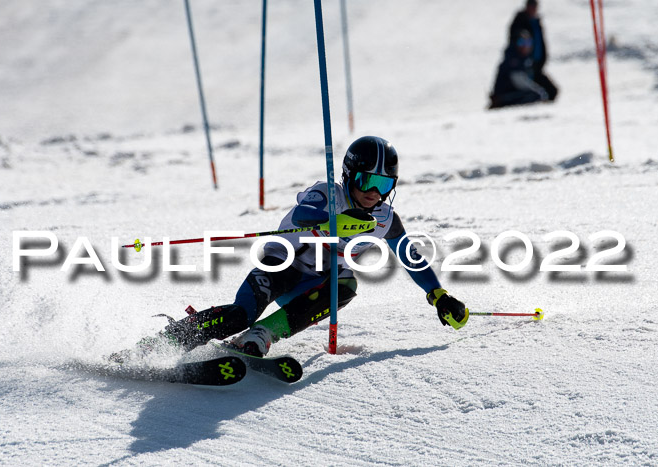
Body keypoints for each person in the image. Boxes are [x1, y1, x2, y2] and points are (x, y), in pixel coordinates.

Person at [115, 136, 468, 362]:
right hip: (280, 266)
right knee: (240, 314)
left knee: (346, 286)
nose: (374, 192)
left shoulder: (385, 217)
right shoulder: (329, 194)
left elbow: (409, 254)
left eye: (384, 184)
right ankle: (161, 342)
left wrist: (438, 295)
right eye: (367, 181)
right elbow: (303, 214)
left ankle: (261, 337)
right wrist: (335, 221)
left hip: (314, 286)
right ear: (350, 175)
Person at [504, 0, 558, 104]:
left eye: (535, 6)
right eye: (531, 6)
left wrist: (541, 60)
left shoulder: (537, 22)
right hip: (523, 66)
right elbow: (515, 41)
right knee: (531, 94)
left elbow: (541, 43)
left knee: (551, 91)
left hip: (536, 66)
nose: (533, 9)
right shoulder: (519, 21)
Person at [489, 30, 551, 109]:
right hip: (504, 96)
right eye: (521, 42)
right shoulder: (513, 60)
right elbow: (519, 81)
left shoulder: (524, 60)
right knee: (535, 96)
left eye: (528, 42)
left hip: (512, 94)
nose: (525, 46)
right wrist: (539, 92)